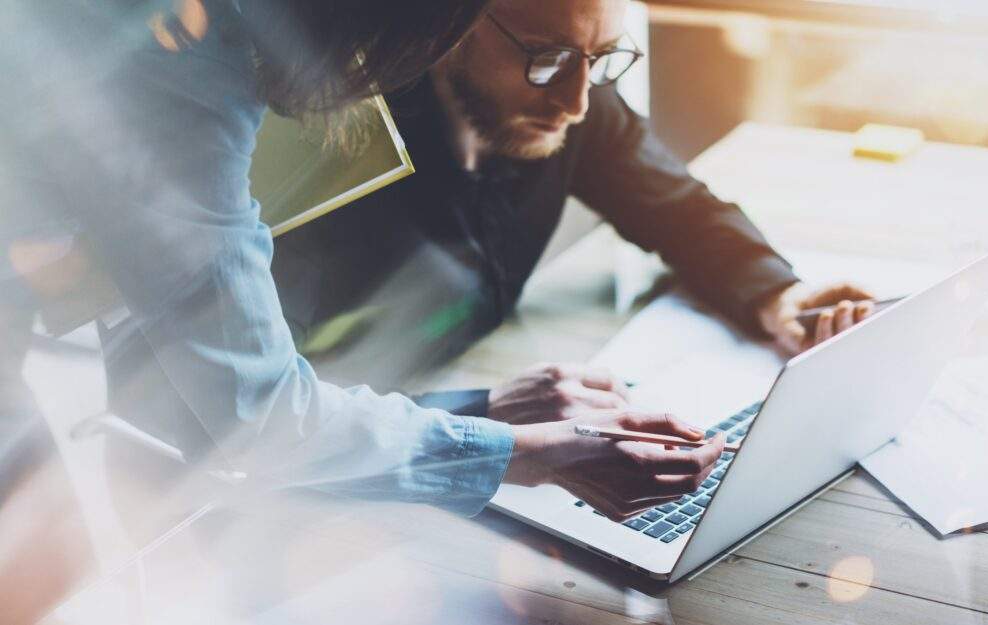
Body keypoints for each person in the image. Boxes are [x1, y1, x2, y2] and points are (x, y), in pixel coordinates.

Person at [2, 0, 722, 544]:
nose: (575, 99)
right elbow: (247, 414)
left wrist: (485, 417)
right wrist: (524, 454)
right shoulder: (189, 71)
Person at [270, 0, 876, 422]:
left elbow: (676, 207)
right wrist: (483, 413)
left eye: (602, 57)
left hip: (469, 388)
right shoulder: (324, 166)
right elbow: (261, 409)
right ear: (448, 23)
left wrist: (776, 295)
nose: (578, 102)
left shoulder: (565, 98)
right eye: (547, 57)